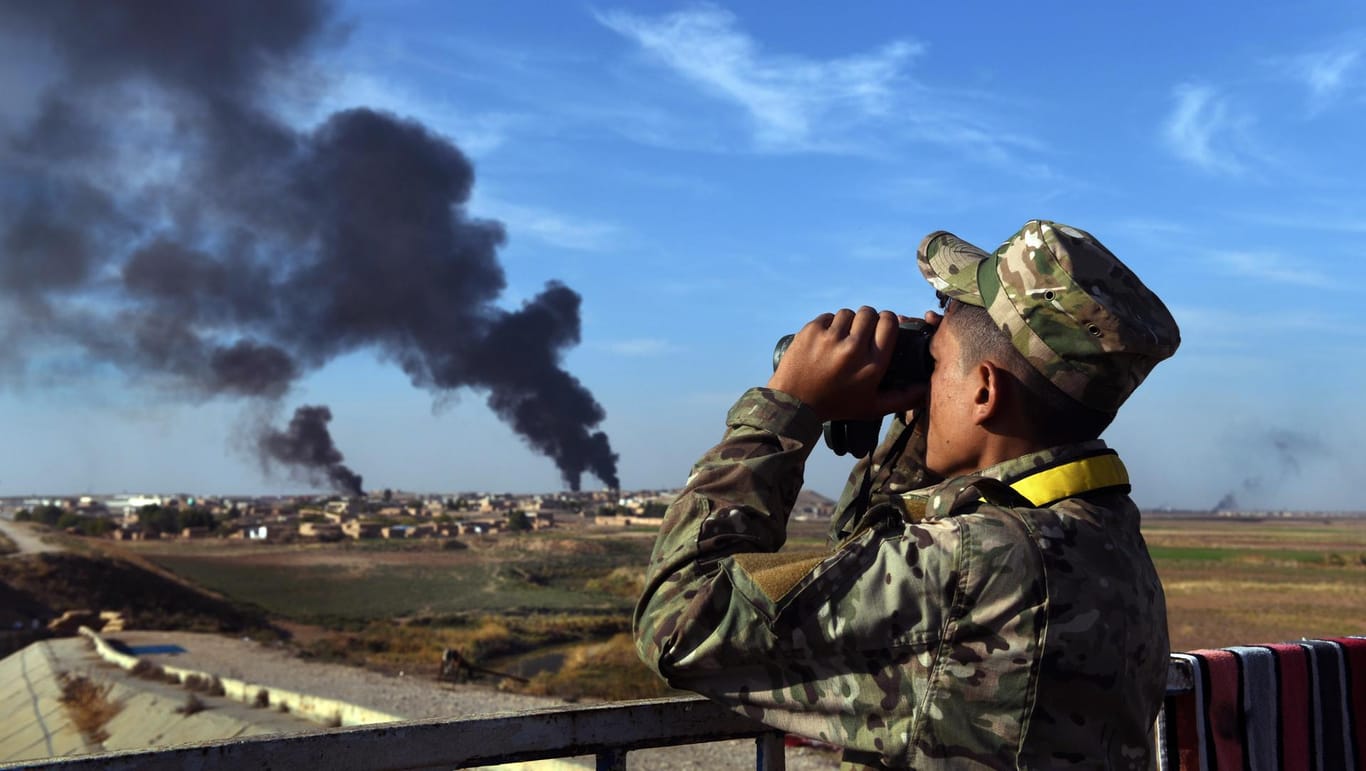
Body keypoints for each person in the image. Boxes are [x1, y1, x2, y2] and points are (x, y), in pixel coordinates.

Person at [634, 220, 1180, 769]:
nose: (926, 367)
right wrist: (924, 417)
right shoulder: (1106, 541)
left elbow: (680, 622)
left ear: (984, 391)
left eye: (935, 361)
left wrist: (785, 408)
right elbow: (865, 561)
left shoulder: (979, 563)